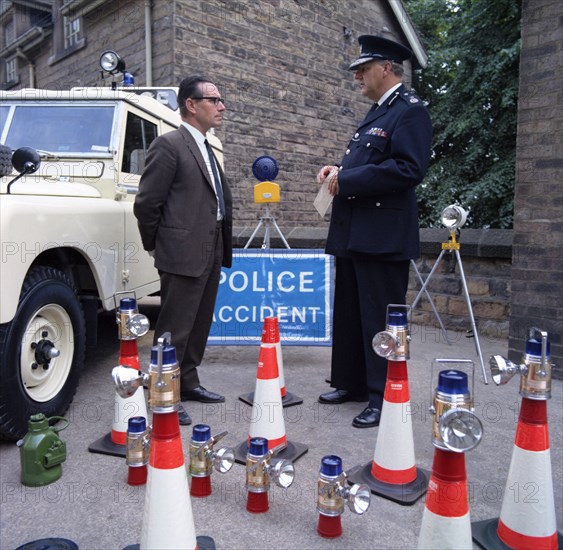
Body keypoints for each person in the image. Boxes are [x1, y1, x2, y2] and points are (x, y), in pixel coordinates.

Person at [317, 35, 433, 428]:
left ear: (386, 67)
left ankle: (384, 396)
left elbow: (408, 169)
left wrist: (348, 179)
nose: (357, 78)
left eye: (362, 70)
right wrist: (338, 170)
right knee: (350, 312)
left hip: (382, 236)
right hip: (355, 232)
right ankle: (351, 383)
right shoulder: (379, 111)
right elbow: (369, 163)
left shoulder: (410, 111)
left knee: (380, 319)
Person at [134, 75, 232, 425]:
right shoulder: (170, 145)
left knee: (198, 325)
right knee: (173, 329)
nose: (222, 106)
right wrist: (158, 245)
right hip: (181, 252)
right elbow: (147, 203)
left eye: (221, 100)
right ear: (191, 105)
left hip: (210, 249)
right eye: (214, 99)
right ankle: (164, 394)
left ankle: (187, 382)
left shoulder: (206, 145)